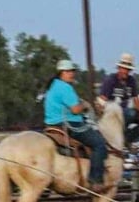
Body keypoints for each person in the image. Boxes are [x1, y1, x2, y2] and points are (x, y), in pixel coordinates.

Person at [44, 59, 108, 194]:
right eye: (68, 71)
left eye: (72, 71)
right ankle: (95, 180)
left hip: (53, 124)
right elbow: (75, 110)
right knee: (99, 144)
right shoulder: (65, 88)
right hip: (70, 124)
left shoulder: (53, 86)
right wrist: (84, 105)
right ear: (61, 73)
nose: (71, 74)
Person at [98, 53, 139, 141]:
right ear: (119, 68)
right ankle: (119, 134)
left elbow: (135, 98)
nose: (125, 71)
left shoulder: (131, 80)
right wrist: (101, 112)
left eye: (128, 69)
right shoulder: (110, 80)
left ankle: (128, 138)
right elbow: (103, 99)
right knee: (130, 113)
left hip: (125, 111)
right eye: (124, 69)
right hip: (112, 112)